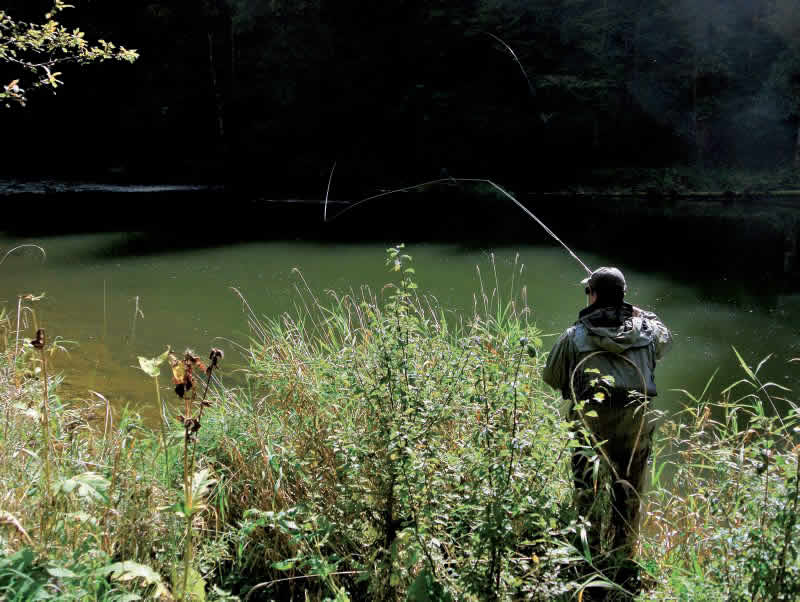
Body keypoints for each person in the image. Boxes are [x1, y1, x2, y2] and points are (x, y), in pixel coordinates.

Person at [542, 267, 672, 588]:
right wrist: (643, 314)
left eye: (588, 291)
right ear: (623, 297)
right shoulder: (647, 332)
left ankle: (589, 556)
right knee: (629, 490)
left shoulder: (573, 336)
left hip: (591, 423)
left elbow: (551, 377)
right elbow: (666, 340)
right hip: (635, 422)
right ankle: (624, 559)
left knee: (587, 487)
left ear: (593, 295)